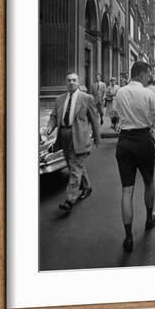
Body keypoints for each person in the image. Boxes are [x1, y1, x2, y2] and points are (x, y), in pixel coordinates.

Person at [115, 61, 155, 252]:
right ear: (142, 74)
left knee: (127, 190)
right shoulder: (148, 93)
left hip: (125, 140)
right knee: (149, 182)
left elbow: (115, 113)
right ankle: (149, 217)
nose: (148, 78)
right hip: (143, 139)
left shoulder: (120, 92)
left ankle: (128, 237)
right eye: (148, 75)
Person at [45, 72, 100, 213]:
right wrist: (49, 128)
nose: (71, 82)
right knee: (73, 165)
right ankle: (87, 187)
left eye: (74, 80)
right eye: (69, 80)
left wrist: (97, 137)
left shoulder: (87, 98)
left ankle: (70, 199)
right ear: (66, 82)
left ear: (78, 82)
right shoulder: (59, 99)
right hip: (64, 136)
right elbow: (53, 116)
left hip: (80, 137)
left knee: (75, 168)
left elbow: (94, 119)